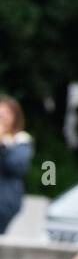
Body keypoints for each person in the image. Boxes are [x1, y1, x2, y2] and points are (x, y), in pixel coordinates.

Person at [0, 96, 33, 235]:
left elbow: (18, 166)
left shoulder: (21, 141)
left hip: (5, 201)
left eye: (4, 115)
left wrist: (3, 145)